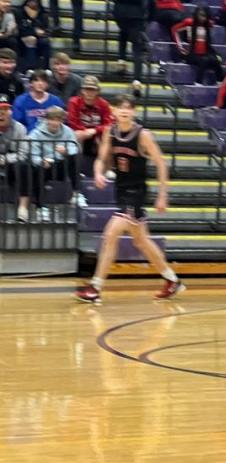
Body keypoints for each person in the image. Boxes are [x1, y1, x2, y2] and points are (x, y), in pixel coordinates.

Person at [75, 94, 184, 304]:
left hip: (136, 193)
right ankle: (172, 280)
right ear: (113, 111)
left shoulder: (143, 135)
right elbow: (102, 159)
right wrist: (98, 173)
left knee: (110, 233)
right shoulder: (110, 132)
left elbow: (161, 164)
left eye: (129, 108)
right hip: (121, 191)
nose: (124, 111)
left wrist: (162, 195)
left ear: (133, 112)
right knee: (141, 241)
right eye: (120, 107)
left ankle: (95, 286)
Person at [104, 0, 150, 86]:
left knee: (123, 30)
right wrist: (149, 17)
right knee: (137, 47)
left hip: (119, 11)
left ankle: (121, 62)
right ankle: (137, 80)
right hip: (137, 13)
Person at [28, 105, 81, 215]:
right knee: (36, 169)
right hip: (45, 166)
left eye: (58, 120)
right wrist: (41, 161)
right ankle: (41, 207)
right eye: (52, 119)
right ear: (46, 119)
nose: (55, 123)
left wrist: (66, 151)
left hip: (62, 165)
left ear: (62, 120)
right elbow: (33, 155)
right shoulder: (35, 134)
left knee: (74, 158)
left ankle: (76, 194)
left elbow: (75, 148)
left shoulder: (68, 131)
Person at [66, 75, 112, 173]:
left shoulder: (103, 104)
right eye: (87, 89)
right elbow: (72, 122)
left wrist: (95, 131)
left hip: (97, 135)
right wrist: (85, 131)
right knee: (76, 135)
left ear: (97, 91)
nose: (89, 92)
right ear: (82, 90)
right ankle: (76, 171)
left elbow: (109, 124)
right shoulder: (74, 102)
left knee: (107, 137)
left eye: (92, 90)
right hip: (80, 133)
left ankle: (105, 171)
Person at [172, 6, 223, 86]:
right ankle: (198, 82)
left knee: (216, 61)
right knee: (204, 60)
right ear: (196, 14)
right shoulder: (189, 23)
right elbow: (174, 30)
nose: (203, 18)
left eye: (205, 16)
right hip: (192, 54)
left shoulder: (208, 25)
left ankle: (220, 83)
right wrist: (180, 47)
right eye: (201, 15)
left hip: (205, 53)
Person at [0, 93, 30, 222]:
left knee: (25, 166)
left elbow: (23, 153)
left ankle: (22, 209)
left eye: (5, 110)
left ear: (10, 112)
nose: (2, 113)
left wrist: (5, 159)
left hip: (11, 168)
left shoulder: (20, 128)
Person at [15, 0, 51, 73]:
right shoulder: (19, 13)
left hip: (37, 39)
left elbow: (46, 32)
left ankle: (46, 68)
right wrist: (34, 31)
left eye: (35, 5)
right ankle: (29, 69)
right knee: (30, 40)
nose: (33, 6)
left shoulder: (43, 15)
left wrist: (33, 19)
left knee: (45, 42)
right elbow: (20, 29)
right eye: (30, 4)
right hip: (21, 38)